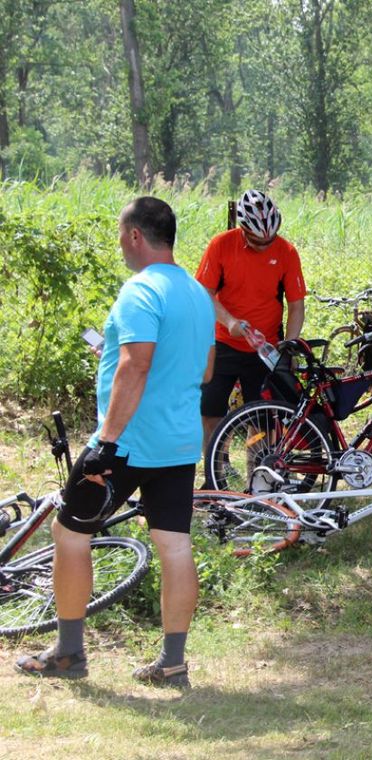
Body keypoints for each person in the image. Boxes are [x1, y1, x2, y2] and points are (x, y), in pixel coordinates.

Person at [16, 197, 215, 688]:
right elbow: (205, 370)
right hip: (178, 443)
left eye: (120, 235)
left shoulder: (139, 290)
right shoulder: (196, 293)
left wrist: (106, 440)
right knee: (174, 546)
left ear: (134, 236)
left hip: (127, 443)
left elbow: (136, 364)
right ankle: (173, 664)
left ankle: (68, 652)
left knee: (69, 535)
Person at [196, 189, 306, 460]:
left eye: (269, 239)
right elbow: (203, 294)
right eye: (258, 241)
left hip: (265, 348)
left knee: (264, 420)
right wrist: (230, 321)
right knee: (211, 412)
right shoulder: (221, 245)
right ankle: (215, 473)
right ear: (243, 229)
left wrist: (288, 346)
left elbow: (296, 306)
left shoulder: (287, 252)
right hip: (222, 342)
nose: (265, 245)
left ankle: (258, 479)